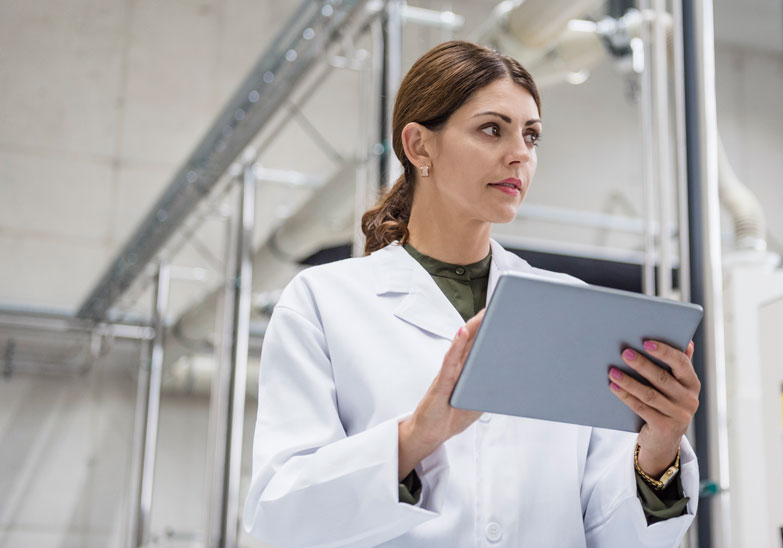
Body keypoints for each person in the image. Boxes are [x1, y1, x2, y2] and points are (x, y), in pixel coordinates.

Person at [243, 40, 702, 547]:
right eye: (492, 129)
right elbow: (278, 520)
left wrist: (660, 447)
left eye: (531, 136)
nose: (519, 154)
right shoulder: (323, 304)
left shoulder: (572, 311)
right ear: (420, 146)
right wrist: (415, 437)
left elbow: (613, 534)